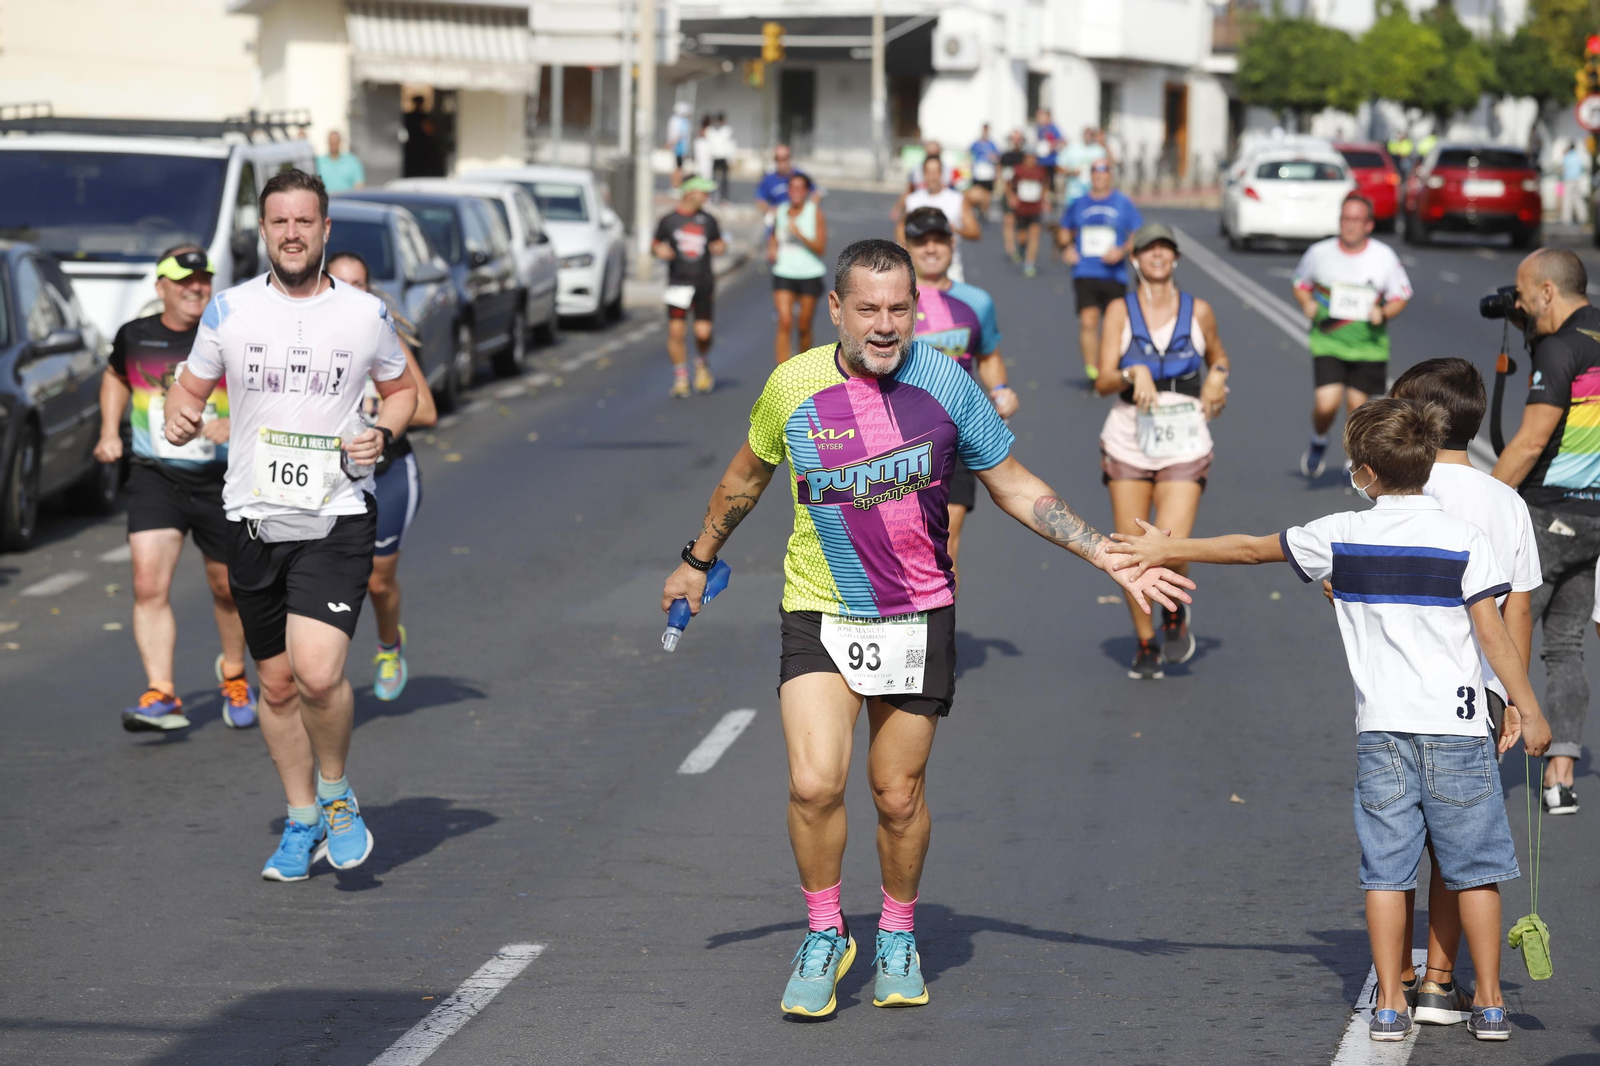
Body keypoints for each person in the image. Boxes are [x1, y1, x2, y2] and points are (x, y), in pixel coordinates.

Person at [660, 239, 1193, 1019]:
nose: (884, 326)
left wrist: (1101, 553)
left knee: (897, 795)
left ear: (918, 307)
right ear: (835, 309)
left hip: (916, 612)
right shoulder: (793, 386)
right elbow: (747, 475)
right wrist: (697, 559)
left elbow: (1011, 485)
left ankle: (898, 931)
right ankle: (823, 932)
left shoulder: (947, 381)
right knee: (813, 783)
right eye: (867, 309)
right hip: (820, 604)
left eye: (899, 309)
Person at [1108, 397, 1552, 1044]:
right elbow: (1492, 632)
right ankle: (1486, 1002)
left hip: (1383, 732)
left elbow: (1248, 549)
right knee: (1474, 869)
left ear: (1367, 471)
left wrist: (1169, 546)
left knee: (1387, 872)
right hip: (1458, 729)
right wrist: (1527, 708)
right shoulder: (1467, 539)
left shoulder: (1342, 534)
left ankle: (1392, 1006)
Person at [163, 168, 418, 882]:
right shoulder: (229, 312)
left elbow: (404, 391)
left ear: (325, 229)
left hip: (336, 513)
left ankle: (336, 796)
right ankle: (300, 816)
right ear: (264, 231)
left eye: (305, 221)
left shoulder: (364, 315)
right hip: (251, 514)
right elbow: (187, 393)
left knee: (317, 671)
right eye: (280, 222)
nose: (293, 233)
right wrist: (182, 417)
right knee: (275, 686)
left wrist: (383, 435)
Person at [1386, 358, 1542, 1027]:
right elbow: (1519, 610)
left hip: (1396, 690)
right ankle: (1442, 981)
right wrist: (1513, 698)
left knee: (1395, 842)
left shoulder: (1395, 491)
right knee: (1460, 844)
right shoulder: (1506, 502)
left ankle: (1395, 983)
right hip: (1475, 696)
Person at [94, 246, 256, 733]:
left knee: (228, 589)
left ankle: (233, 674)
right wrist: (108, 430)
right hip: (155, 474)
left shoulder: (231, 334)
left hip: (221, 481)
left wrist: (234, 421)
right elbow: (114, 375)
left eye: (203, 280)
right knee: (147, 584)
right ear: (160, 286)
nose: (195, 287)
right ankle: (161, 692)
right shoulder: (136, 336)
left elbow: (269, 392)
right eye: (184, 280)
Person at [1491, 247, 1600, 815]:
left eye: (1525, 290)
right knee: (1566, 646)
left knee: (1502, 633)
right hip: (1596, 520)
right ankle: (1560, 779)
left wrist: (1482, 502)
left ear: (1549, 291)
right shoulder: (1585, 340)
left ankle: (1476, 755)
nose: (1521, 300)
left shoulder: (1560, 348)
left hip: (1549, 514)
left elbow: (1531, 441)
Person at [1094, 223, 1229, 679]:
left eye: (1165, 249)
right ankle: (1146, 640)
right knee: (1131, 550)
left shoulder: (1199, 310)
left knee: (1168, 544)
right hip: (1129, 439)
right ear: (1135, 258)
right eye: (1149, 249)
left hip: (1184, 440)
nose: (1157, 256)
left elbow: (1219, 356)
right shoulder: (1119, 310)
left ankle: (1173, 611)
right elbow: (1102, 381)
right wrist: (1132, 371)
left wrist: (1217, 375)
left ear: (1176, 258)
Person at [325, 251, 439, 702]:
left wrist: (378, 427)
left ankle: (389, 646)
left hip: (388, 472)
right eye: (341, 283)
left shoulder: (386, 339)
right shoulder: (307, 340)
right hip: (328, 480)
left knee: (377, 580)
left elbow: (426, 410)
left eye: (360, 283)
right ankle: (319, 669)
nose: (351, 292)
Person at [904, 207, 1016, 593]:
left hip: (957, 436)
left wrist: (1000, 389)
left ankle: (937, 644)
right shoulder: (893, 302)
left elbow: (988, 356)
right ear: (907, 246)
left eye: (939, 239)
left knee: (945, 546)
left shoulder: (976, 302)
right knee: (899, 546)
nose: (931, 248)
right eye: (921, 241)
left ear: (953, 244)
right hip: (898, 439)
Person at [1291, 193, 1412, 478]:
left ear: (1369, 225)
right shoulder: (1320, 253)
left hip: (1368, 346)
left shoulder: (1383, 257)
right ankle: (1319, 439)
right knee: (1326, 403)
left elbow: (1402, 295)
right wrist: (1306, 302)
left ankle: (1351, 460)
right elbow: (1300, 283)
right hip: (1328, 341)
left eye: (1357, 220)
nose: (1350, 225)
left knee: (1357, 410)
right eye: (1345, 219)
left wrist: (1383, 313)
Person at [1059, 160, 1142, 382]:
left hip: (1114, 273)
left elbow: (1137, 232)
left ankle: (1111, 367)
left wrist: (1123, 250)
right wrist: (1066, 249)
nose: (1099, 176)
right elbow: (1064, 229)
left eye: (1104, 172)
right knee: (1088, 320)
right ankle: (1092, 371)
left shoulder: (1122, 202)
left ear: (1110, 176)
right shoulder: (1079, 203)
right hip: (1085, 270)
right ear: (1091, 176)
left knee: (1114, 324)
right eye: (1095, 172)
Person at [653, 176, 726, 397]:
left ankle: (702, 363)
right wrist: (659, 251)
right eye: (702, 192)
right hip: (678, 282)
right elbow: (655, 243)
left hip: (703, 281)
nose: (706, 196)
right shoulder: (669, 220)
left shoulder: (709, 220)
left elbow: (718, 241)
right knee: (676, 332)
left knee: (703, 334)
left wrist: (720, 246)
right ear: (689, 192)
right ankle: (681, 377)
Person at [768, 172, 828, 364]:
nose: (796, 192)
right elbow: (773, 237)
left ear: (806, 191)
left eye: (800, 188)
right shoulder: (780, 211)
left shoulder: (814, 212)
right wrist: (772, 249)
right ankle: (781, 374)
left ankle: (802, 368)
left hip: (809, 273)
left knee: (803, 325)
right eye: (792, 188)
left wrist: (800, 234)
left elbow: (820, 248)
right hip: (783, 272)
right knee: (784, 321)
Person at [898, 156, 980, 283]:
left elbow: (975, 232)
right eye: (929, 172)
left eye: (936, 172)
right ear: (923, 174)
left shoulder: (957, 200)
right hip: (918, 269)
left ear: (942, 174)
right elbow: (901, 228)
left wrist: (955, 230)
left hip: (950, 270)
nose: (932, 176)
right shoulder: (912, 200)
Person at [1004, 147, 1050, 277]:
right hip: (1021, 208)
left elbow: (1045, 184)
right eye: (1029, 157)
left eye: (1033, 157)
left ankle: (1029, 264)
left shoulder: (1041, 171)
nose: (1031, 160)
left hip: (1035, 208)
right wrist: (1011, 197)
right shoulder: (1017, 169)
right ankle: (1021, 247)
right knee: (1022, 236)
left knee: (1035, 233)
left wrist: (1045, 199)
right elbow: (1008, 184)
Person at [1058, 126, 1108, 209]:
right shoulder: (1072, 148)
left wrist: (1103, 142)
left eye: (1091, 134)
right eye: (1086, 134)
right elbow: (1059, 167)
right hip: (1074, 193)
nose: (1088, 137)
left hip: (1093, 194)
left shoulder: (1099, 150)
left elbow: (1107, 169)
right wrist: (1072, 172)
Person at [997, 130, 1027, 263]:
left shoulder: (1026, 157)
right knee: (1009, 222)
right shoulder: (1005, 156)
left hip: (1024, 195)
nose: (1016, 141)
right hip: (1009, 193)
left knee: (1022, 225)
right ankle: (1011, 250)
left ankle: (1022, 247)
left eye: (1018, 139)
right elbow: (1001, 175)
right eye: (1014, 139)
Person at [755, 143, 807, 213]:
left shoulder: (799, 176)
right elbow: (760, 200)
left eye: (784, 158)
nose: (782, 162)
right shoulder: (768, 179)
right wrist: (770, 211)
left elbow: (815, 192)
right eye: (778, 159)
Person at [968, 124, 1001, 218]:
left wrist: (996, 172)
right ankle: (978, 208)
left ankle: (984, 210)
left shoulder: (992, 144)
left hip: (988, 172)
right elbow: (969, 155)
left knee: (987, 192)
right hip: (978, 171)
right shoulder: (976, 143)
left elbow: (997, 158)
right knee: (977, 190)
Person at [1560, 141, 1589, 226]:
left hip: (1568, 180)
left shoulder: (1567, 157)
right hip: (1577, 180)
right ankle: (1583, 217)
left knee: (1567, 199)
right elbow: (1582, 169)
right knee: (1578, 199)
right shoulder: (1578, 157)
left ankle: (1566, 218)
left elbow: (1562, 168)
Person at [709, 113, 735, 202]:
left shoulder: (727, 130)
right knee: (713, 178)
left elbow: (730, 145)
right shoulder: (711, 130)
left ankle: (724, 198)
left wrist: (730, 159)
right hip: (714, 157)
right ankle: (713, 196)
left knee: (724, 179)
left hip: (724, 157)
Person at [667, 102, 693, 189]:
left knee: (680, 167)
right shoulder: (677, 121)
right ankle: (675, 185)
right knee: (677, 167)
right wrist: (672, 143)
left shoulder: (683, 121)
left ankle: (678, 184)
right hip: (677, 147)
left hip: (682, 147)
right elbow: (676, 135)